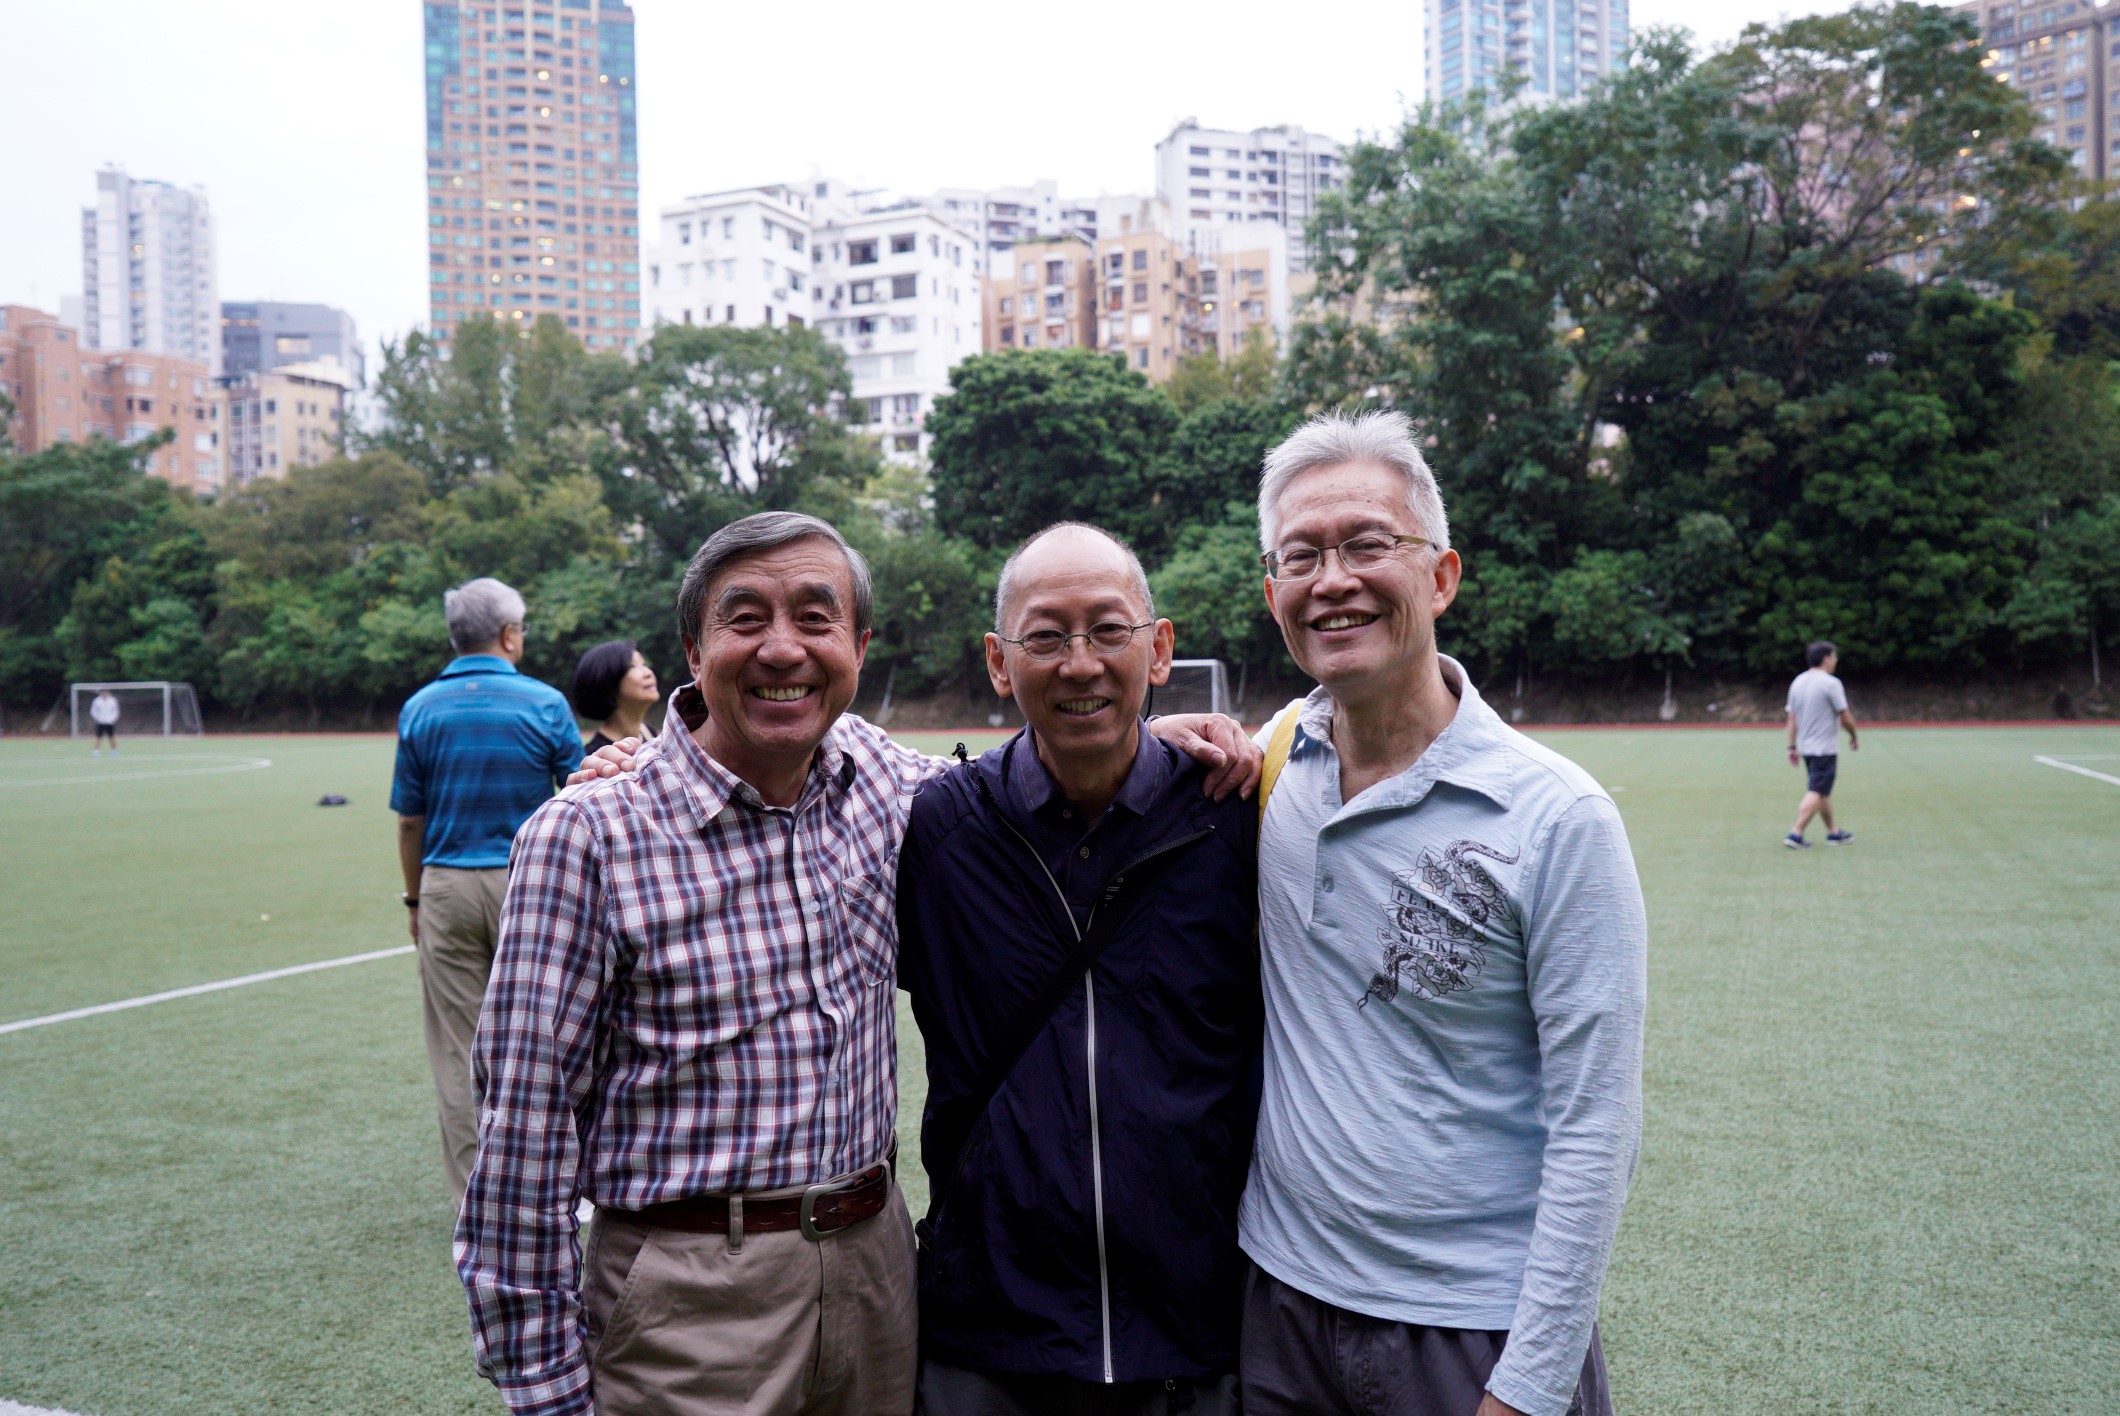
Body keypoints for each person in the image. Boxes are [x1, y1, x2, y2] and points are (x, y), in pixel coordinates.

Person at [457, 512, 1254, 1416]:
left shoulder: (891, 789)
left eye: (815, 618)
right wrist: (545, 1390)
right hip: (690, 1298)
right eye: (746, 619)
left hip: (876, 1281)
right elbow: (523, 1135)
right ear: (693, 649)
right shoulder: (589, 836)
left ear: (859, 647)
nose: (782, 649)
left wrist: (1152, 733)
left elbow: (1042, 768)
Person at [1238, 411, 1647, 1416]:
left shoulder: (1557, 816)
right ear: (1273, 593)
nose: (1332, 579)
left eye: (1367, 544)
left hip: (1470, 1331)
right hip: (1276, 1308)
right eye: (1300, 556)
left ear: (1442, 576)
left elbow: (1596, 1122)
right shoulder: (1274, 760)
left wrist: (1531, 1384)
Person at [900, 523, 1259, 1416]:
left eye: (1107, 630)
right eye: (1046, 637)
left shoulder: (1238, 817)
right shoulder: (938, 830)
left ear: (1159, 648)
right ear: (998, 661)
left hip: (1191, 1335)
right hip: (987, 1341)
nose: (1080, 663)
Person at [390, 576, 583, 1208]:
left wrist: (415, 901)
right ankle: (552, 1187)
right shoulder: (544, 703)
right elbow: (582, 794)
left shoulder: (420, 708)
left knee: (457, 1048)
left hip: (446, 886)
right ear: (508, 635)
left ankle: (479, 1198)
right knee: (544, 1038)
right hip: (529, 886)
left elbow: (410, 820)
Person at [1784, 640, 1857, 849]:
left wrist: (1791, 746)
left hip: (1806, 747)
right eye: (1834, 656)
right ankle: (1796, 833)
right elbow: (1844, 715)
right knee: (1817, 789)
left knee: (1821, 790)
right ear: (1826, 658)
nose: (1835, 661)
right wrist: (1854, 735)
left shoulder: (1798, 682)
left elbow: (1791, 718)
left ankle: (1833, 832)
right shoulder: (1831, 683)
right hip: (1824, 748)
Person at [569, 638, 659, 754]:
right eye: (632, 667)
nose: (648, 673)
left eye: (644, 665)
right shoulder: (597, 757)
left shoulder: (649, 733)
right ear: (607, 684)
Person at [89, 689, 120, 755]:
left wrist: (112, 719)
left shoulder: (112, 700)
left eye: (106, 693)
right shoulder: (96, 701)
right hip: (100, 722)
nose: (104, 694)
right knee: (98, 737)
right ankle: (96, 751)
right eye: (103, 693)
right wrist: (98, 718)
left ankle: (114, 750)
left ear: (108, 693)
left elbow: (115, 711)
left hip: (110, 722)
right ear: (101, 693)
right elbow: (93, 711)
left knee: (112, 737)